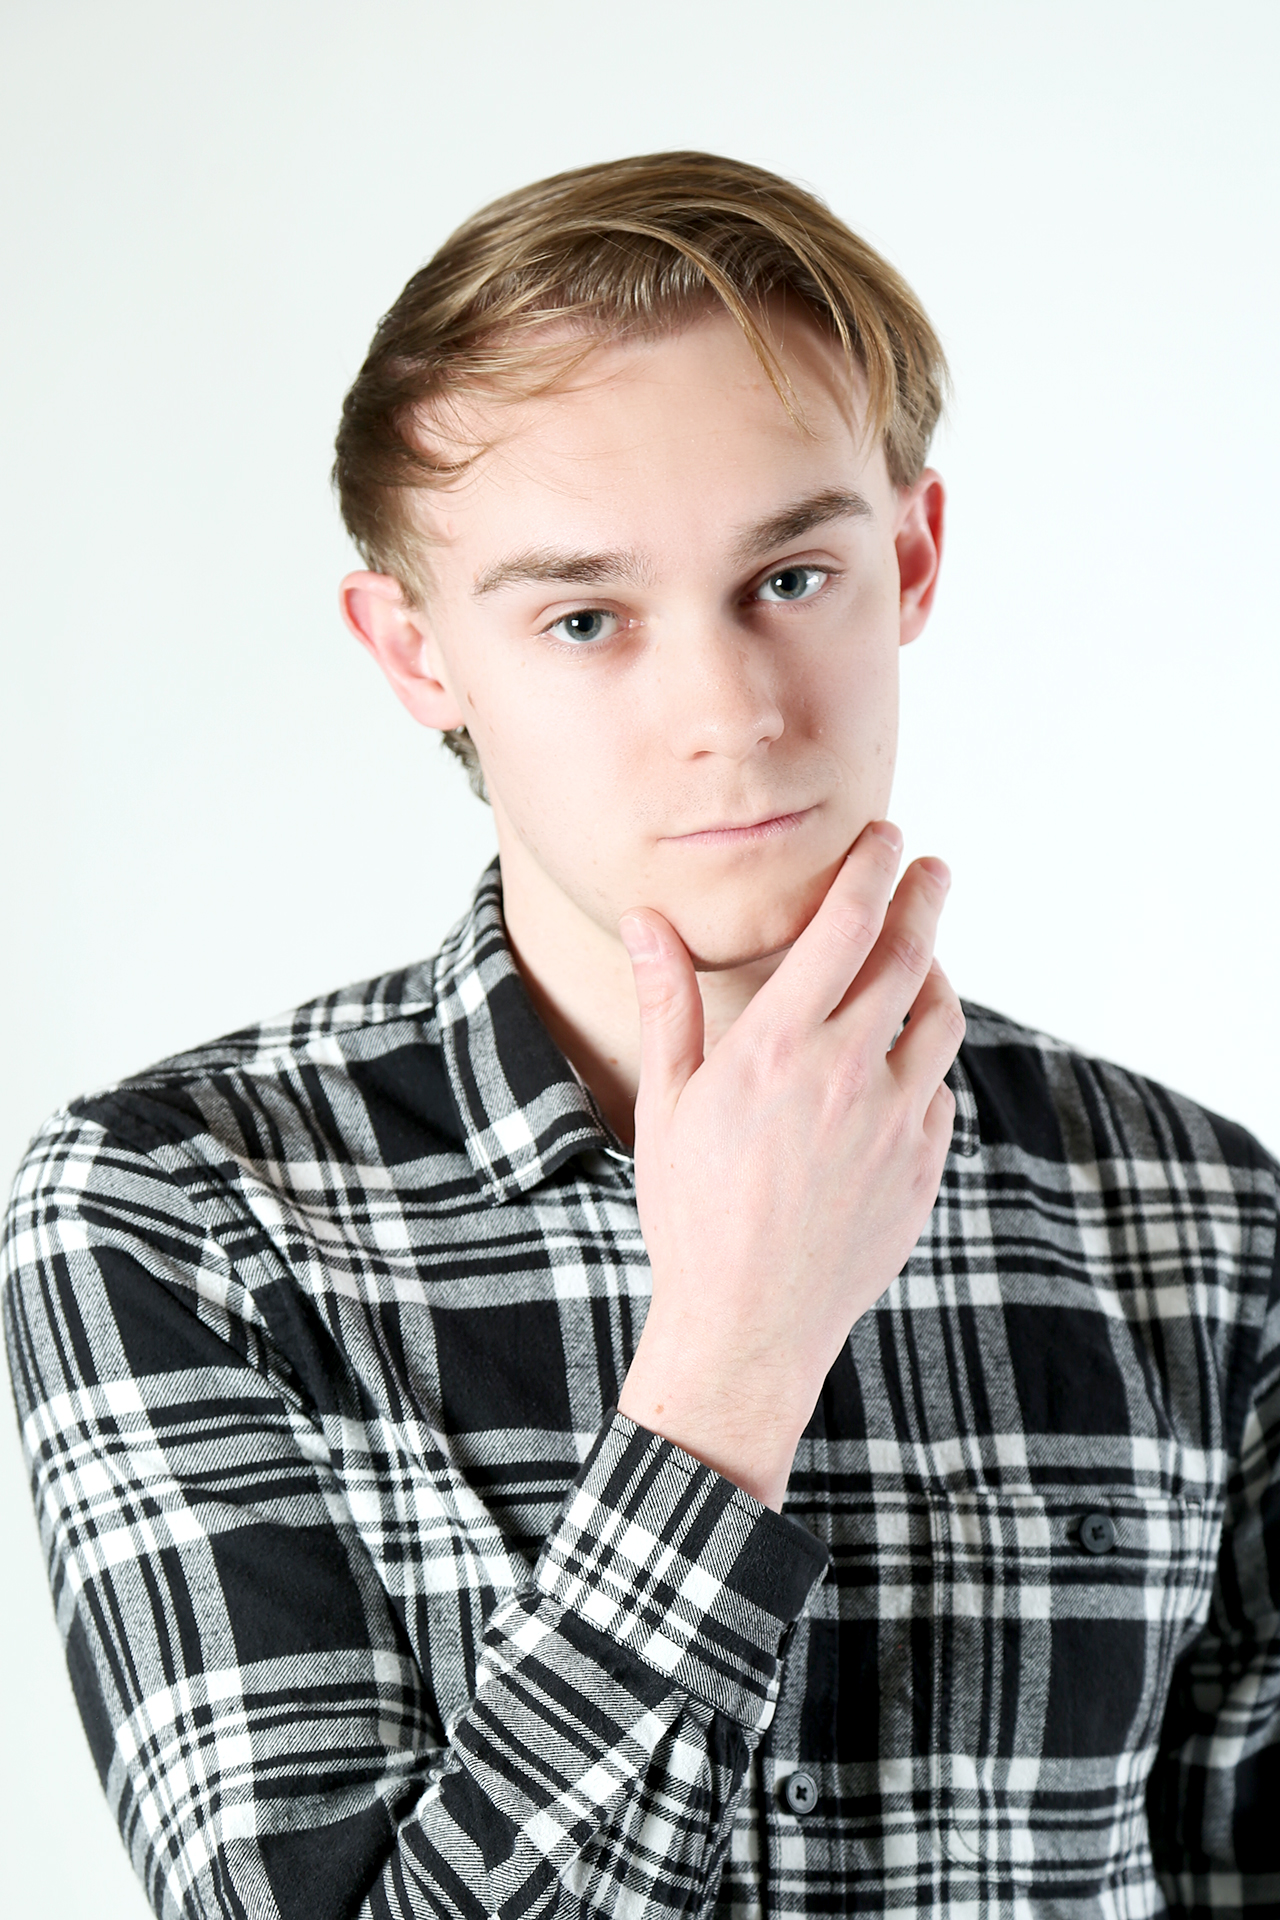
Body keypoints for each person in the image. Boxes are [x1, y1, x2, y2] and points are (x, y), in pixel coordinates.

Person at [3, 151, 1277, 1920]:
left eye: (793, 578)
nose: (731, 714)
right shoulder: (179, 1217)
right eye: (587, 619)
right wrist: (732, 1366)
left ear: (911, 554)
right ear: (418, 655)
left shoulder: (1202, 1217)